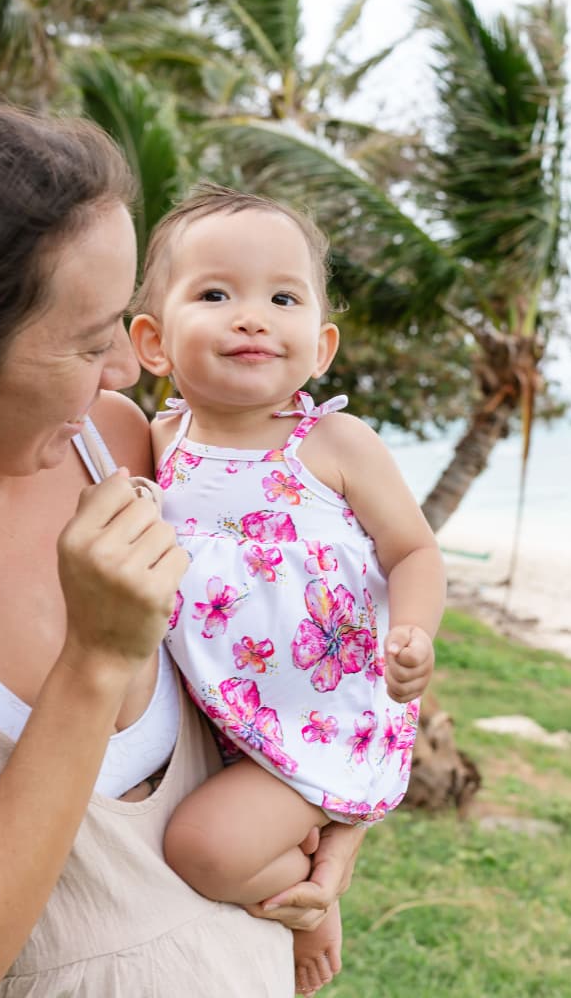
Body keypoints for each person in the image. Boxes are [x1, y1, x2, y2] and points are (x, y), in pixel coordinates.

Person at [0, 100, 363, 998]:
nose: (129, 371)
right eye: (96, 340)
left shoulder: (114, 443)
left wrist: (338, 814)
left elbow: (293, 665)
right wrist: (96, 661)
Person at [128, 183, 447, 994]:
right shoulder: (156, 446)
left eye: (281, 296)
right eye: (215, 294)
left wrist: (413, 632)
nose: (251, 316)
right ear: (154, 342)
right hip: (217, 713)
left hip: (324, 713)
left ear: (322, 346)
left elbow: (412, 551)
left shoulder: (334, 444)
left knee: (201, 849)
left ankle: (306, 897)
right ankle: (320, 848)